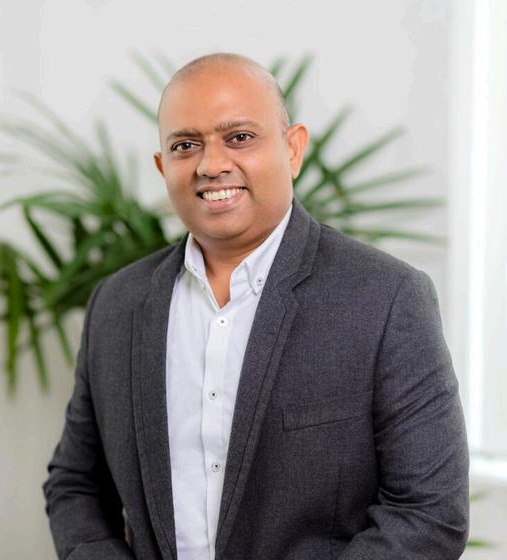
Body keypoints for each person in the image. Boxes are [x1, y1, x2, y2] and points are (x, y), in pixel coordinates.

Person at [43, 52, 469, 560]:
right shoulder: (117, 304)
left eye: (239, 137)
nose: (211, 164)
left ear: (293, 149)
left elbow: (428, 513)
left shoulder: (386, 298)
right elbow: (75, 482)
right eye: (185, 145)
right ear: (162, 166)